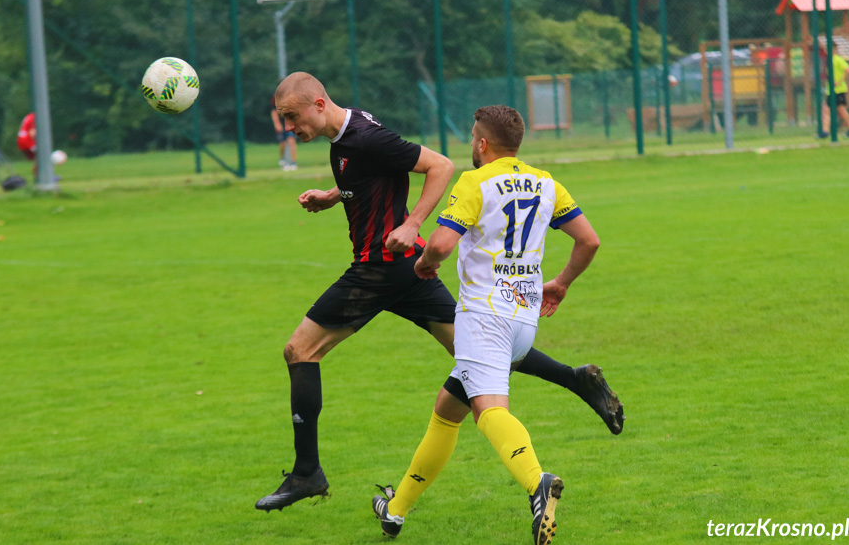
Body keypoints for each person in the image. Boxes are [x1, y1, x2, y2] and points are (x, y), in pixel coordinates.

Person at [254, 73, 623, 513]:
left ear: (317, 104)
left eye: (292, 118)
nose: (289, 128)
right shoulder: (349, 135)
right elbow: (376, 172)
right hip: (409, 272)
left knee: (300, 350)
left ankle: (307, 473)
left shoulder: (365, 135)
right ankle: (575, 378)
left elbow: (441, 166)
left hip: (380, 267)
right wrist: (336, 195)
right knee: (476, 354)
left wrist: (412, 226)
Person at [370, 105, 601, 545]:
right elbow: (589, 240)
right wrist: (561, 283)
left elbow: (440, 244)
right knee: (446, 410)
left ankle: (538, 482)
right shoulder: (547, 183)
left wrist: (423, 264)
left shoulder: (476, 181)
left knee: (490, 410)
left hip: (483, 317)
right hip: (524, 318)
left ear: (481, 143)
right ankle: (395, 510)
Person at [820, 46, 849, 138]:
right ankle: (825, 131)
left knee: (839, 110)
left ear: (834, 49)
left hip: (838, 90)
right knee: (826, 109)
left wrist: (839, 81)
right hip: (831, 90)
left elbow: (848, 70)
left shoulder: (837, 59)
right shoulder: (828, 60)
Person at [271, 96, 298, 171]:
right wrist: (277, 124)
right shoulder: (276, 97)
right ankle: (283, 160)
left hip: (289, 123)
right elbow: (274, 111)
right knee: (283, 144)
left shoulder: (291, 96)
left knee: (291, 141)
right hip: (281, 124)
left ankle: (293, 162)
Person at [16, 112, 38, 178]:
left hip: (21, 139)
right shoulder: (34, 117)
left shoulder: (29, 115)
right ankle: (44, 177)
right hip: (27, 141)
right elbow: (32, 133)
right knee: (44, 157)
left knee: (37, 158)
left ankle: (39, 176)